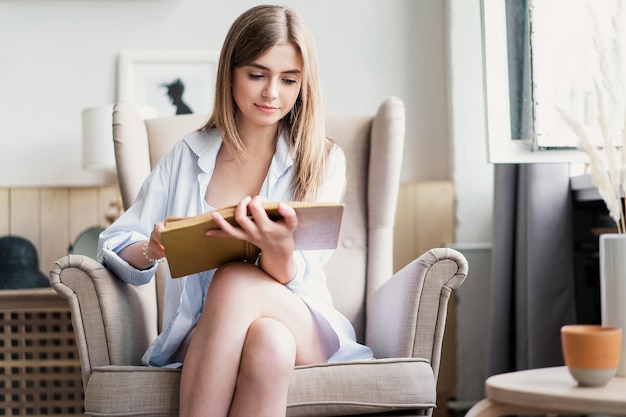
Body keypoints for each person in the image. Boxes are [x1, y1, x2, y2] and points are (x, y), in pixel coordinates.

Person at [98, 5, 373, 417]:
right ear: (230, 72)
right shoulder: (188, 156)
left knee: (235, 281)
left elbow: (300, 275)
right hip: (205, 331)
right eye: (257, 75)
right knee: (269, 342)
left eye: (288, 79)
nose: (271, 93)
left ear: (304, 83)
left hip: (303, 322)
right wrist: (154, 247)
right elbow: (116, 243)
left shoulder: (322, 159)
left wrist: (278, 248)